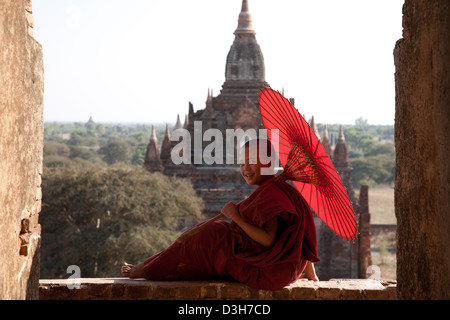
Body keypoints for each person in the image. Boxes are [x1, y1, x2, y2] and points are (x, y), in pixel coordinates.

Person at [121, 139, 319, 290]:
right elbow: (296, 235)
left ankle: (146, 270)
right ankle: (149, 265)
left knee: (200, 241)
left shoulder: (272, 192)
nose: (245, 168)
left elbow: (268, 239)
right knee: (202, 235)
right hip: (280, 269)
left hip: (266, 272)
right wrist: (309, 273)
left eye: (251, 161)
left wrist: (235, 216)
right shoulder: (276, 189)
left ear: (267, 163)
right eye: (242, 162)